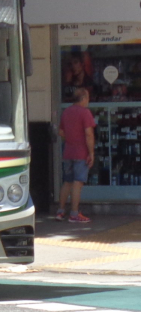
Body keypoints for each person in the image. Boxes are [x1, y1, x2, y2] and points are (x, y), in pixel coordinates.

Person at [56, 87, 95, 223]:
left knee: (67, 182)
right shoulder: (85, 113)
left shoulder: (66, 112)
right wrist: (91, 153)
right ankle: (74, 213)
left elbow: (60, 132)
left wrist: (70, 138)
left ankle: (60, 212)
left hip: (68, 151)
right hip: (81, 152)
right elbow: (89, 134)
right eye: (88, 98)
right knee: (78, 183)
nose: (88, 101)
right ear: (83, 98)